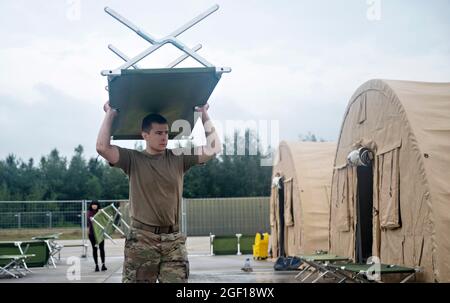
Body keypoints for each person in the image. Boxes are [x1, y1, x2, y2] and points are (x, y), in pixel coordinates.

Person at [96, 101, 221, 283]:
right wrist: (110, 113)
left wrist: (203, 114)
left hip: (173, 241)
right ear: (145, 135)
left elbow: (214, 148)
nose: (164, 137)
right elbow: (102, 147)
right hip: (142, 240)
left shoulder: (178, 157)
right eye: (158, 133)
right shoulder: (133, 159)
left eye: (166, 133)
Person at [87, 200, 107, 272]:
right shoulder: (89, 213)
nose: (94, 206)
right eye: (93, 204)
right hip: (92, 234)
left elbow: (104, 220)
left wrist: (101, 213)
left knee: (102, 249)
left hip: (100, 234)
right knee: (94, 249)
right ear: (91, 205)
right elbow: (91, 221)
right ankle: (96, 266)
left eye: (95, 204)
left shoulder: (100, 212)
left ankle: (103, 265)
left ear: (98, 205)